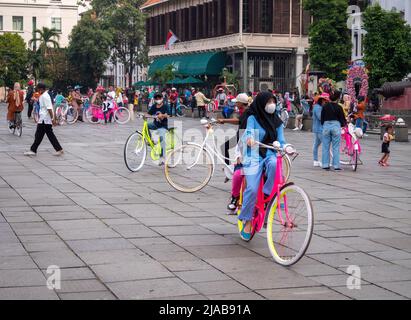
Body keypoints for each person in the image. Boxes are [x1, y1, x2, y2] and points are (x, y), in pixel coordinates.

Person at [238, 92, 285, 241]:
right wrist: (250, 139)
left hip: (270, 152)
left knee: (273, 164)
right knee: (251, 188)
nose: (271, 104)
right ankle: (247, 219)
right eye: (268, 101)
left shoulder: (277, 121)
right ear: (261, 103)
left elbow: (282, 140)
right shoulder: (253, 118)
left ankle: (266, 194)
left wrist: (285, 147)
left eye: (273, 101)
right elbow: (248, 133)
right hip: (254, 154)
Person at [217, 93, 251, 212]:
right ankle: (229, 170)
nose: (235, 103)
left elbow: (237, 121)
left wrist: (224, 120)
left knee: (224, 147)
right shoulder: (244, 111)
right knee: (225, 147)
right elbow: (238, 121)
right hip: (240, 135)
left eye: (237, 102)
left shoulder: (247, 111)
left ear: (241, 103)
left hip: (243, 137)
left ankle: (229, 172)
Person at [24, 83, 63, 157]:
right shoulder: (43, 95)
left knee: (41, 134)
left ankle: (33, 150)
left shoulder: (45, 96)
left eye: (38, 89)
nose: (37, 91)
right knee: (43, 135)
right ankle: (59, 149)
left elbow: (49, 108)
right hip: (43, 119)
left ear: (41, 89)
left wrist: (52, 119)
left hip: (45, 119)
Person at [321, 90, 346, 171]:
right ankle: (336, 166)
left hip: (326, 126)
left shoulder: (325, 106)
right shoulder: (339, 107)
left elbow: (322, 118)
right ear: (337, 99)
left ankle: (325, 165)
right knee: (335, 147)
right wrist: (342, 125)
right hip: (336, 126)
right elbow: (342, 119)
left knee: (325, 147)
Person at [147, 93, 170, 165]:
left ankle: (162, 157)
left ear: (162, 98)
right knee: (147, 126)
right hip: (155, 124)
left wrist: (162, 115)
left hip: (163, 126)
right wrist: (143, 115)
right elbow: (149, 113)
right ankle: (150, 140)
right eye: (156, 98)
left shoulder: (165, 106)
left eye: (159, 98)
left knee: (162, 138)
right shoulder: (154, 106)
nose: (158, 100)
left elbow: (168, 114)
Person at [312, 93, 330, 167]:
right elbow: (320, 117)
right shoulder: (318, 107)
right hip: (320, 129)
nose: (325, 103)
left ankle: (316, 160)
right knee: (325, 145)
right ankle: (323, 161)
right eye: (325, 101)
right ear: (321, 100)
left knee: (316, 144)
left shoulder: (317, 107)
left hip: (318, 128)